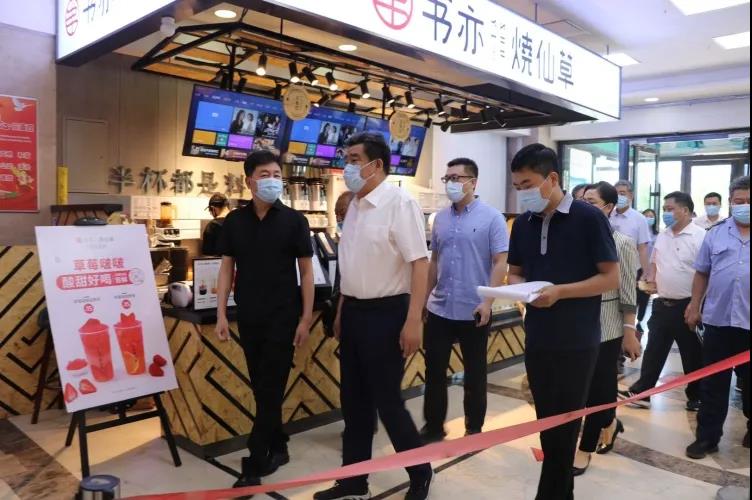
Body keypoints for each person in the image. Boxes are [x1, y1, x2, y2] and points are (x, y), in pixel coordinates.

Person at [314, 132, 433, 500]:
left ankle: (420, 472)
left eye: (354, 159)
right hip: (354, 312)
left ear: (376, 164)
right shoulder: (354, 206)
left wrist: (414, 319)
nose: (347, 166)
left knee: (387, 401)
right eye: (346, 158)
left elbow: (420, 263)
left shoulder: (400, 203)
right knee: (354, 402)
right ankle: (353, 480)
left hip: (388, 313)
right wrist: (342, 310)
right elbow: (350, 265)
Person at [507, 144, 619, 500]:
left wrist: (561, 292)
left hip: (577, 340)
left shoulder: (588, 218)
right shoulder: (523, 223)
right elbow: (515, 272)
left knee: (565, 427)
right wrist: (521, 291)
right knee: (547, 425)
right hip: (538, 337)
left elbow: (610, 278)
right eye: (517, 187)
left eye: (527, 185)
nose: (522, 193)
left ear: (552, 178)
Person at [215, 150, 315, 490]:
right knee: (262, 385)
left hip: (283, 316)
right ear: (249, 181)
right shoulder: (234, 222)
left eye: (277, 174)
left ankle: (255, 460)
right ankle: (280, 444)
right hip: (249, 315)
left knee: (271, 385)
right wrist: (221, 313)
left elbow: (306, 272)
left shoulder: (295, 221)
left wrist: (305, 319)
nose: (273, 180)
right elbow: (226, 268)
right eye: (265, 174)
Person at [421, 158, 509, 443]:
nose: (450, 183)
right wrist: (425, 298)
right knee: (434, 371)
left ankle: (474, 429)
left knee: (475, 373)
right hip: (440, 306)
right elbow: (435, 260)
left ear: (473, 182)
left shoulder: (492, 218)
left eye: (456, 178)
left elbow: (500, 262)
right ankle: (434, 426)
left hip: (474, 308)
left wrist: (488, 302)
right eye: (447, 178)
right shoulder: (440, 219)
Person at [574, 182, 641, 476]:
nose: (583, 206)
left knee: (599, 389)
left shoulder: (621, 242)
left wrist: (629, 331)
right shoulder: (573, 238)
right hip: (574, 323)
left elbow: (628, 292)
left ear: (609, 207)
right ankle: (610, 423)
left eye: (591, 201)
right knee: (580, 388)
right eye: (580, 200)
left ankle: (585, 448)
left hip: (607, 326)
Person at [618, 192, 706, 411]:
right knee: (654, 350)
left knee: (692, 354)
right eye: (665, 209)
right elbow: (655, 263)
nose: (665, 213)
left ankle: (696, 396)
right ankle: (642, 392)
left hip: (687, 305)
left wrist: (697, 304)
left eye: (670, 209)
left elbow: (706, 273)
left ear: (685, 210)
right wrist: (650, 278)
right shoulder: (664, 235)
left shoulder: (700, 236)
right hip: (662, 303)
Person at [685, 176, 750, 459]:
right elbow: (702, 272)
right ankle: (707, 438)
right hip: (718, 322)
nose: (744, 205)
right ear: (731, 202)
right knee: (713, 384)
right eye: (739, 201)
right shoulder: (716, 233)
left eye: (749, 201)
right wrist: (694, 305)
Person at [611, 180, 652, 273]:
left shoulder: (640, 219)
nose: (618, 197)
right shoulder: (608, 216)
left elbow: (643, 249)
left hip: (632, 269)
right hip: (611, 269)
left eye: (622, 193)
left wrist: (645, 272)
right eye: (616, 194)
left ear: (631, 196)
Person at [636, 208, 659, 336]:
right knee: (634, 297)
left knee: (644, 297)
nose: (649, 218)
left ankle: (639, 321)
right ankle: (630, 321)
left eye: (651, 216)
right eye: (646, 216)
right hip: (637, 268)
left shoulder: (658, 235)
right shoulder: (638, 232)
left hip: (650, 270)